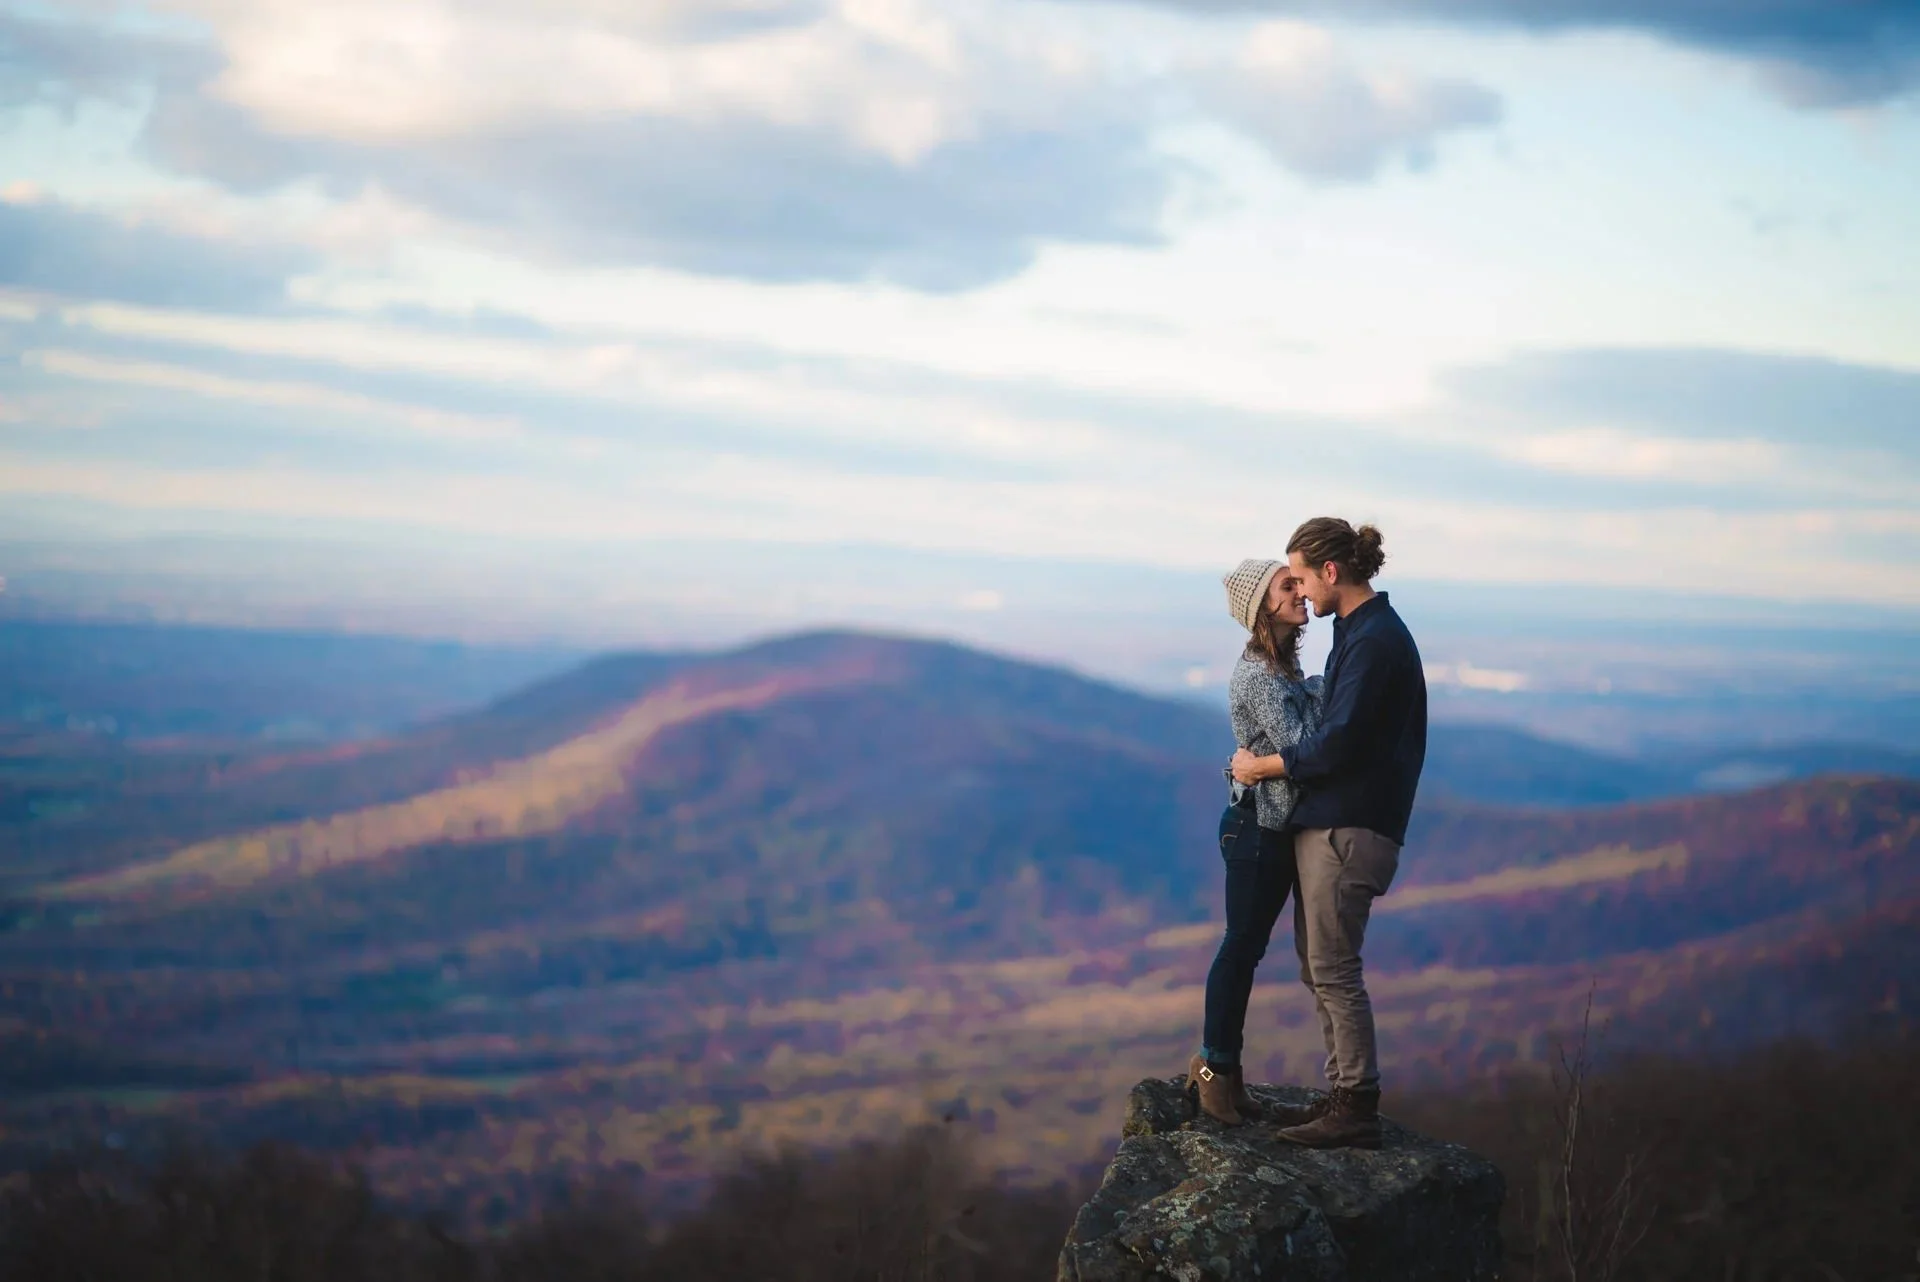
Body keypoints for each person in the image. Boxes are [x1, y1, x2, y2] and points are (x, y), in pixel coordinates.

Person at [1230, 518, 1426, 1150]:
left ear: (1332, 572)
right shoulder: (1359, 633)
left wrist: (1261, 766)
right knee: (1320, 966)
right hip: (1339, 822)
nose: (1304, 593)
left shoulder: (1373, 642)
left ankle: (1355, 1103)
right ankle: (1342, 1092)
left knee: (1334, 967)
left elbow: (1338, 743)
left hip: (1350, 826)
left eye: (1304, 578)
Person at [1188, 558, 1322, 1126]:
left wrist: (1313, 686)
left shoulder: (1283, 670)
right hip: (1256, 829)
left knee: (1246, 951)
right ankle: (1213, 1071)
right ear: (1263, 606)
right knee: (1240, 948)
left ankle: (1229, 1078)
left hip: (1271, 826)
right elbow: (1305, 745)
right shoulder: (1262, 677)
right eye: (1287, 585)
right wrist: (1326, 687)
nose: (1301, 590)